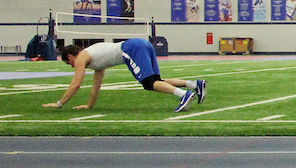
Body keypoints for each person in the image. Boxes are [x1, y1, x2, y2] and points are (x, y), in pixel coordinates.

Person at [44, 39, 206, 113]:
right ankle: (194, 85)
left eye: (69, 63)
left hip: (130, 48)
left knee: (149, 83)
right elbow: (96, 86)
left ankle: (184, 95)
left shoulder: (81, 58)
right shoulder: (93, 60)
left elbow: (76, 84)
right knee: (156, 81)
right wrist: (89, 106)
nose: (72, 66)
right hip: (141, 44)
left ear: (71, 57)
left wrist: (59, 103)